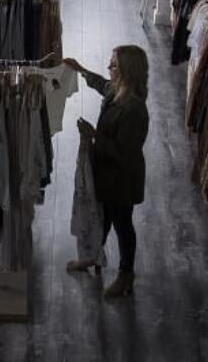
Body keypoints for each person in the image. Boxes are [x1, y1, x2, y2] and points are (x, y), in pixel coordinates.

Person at [63, 45, 150, 299]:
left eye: (113, 65)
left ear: (125, 71)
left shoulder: (134, 109)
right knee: (103, 218)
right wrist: (79, 69)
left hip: (123, 179)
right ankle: (94, 256)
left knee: (123, 225)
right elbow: (101, 83)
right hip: (107, 173)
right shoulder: (117, 90)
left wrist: (94, 135)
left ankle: (126, 274)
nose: (109, 68)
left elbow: (125, 152)